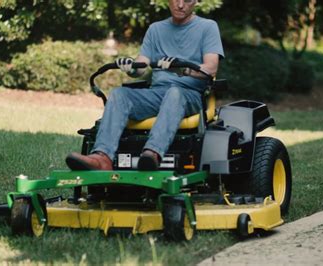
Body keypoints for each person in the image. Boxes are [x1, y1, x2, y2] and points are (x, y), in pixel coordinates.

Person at [66, 0, 224, 171]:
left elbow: (211, 68)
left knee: (175, 93)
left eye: (187, 0)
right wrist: (130, 67)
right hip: (157, 94)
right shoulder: (155, 29)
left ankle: (152, 154)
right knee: (120, 94)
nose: (180, 5)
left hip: (190, 94)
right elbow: (141, 66)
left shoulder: (208, 27)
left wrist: (183, 69)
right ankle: (102, 157)